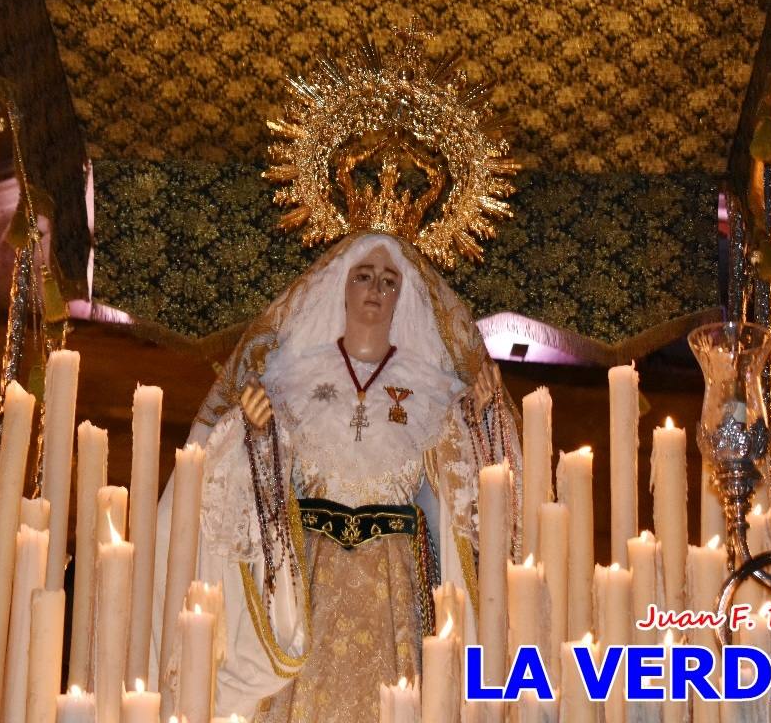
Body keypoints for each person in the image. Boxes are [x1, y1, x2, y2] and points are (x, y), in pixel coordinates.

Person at [151, 230, 522, 721]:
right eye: (363, 276)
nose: (375, 289)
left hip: (392, 579)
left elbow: (466, 494)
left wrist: (482, 422)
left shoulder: (432, 390)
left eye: (389, 281)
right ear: (339, 287)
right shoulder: (294, 378)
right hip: (313, 575)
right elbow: (252, 479)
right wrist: (254, 434)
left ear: (403, 295)